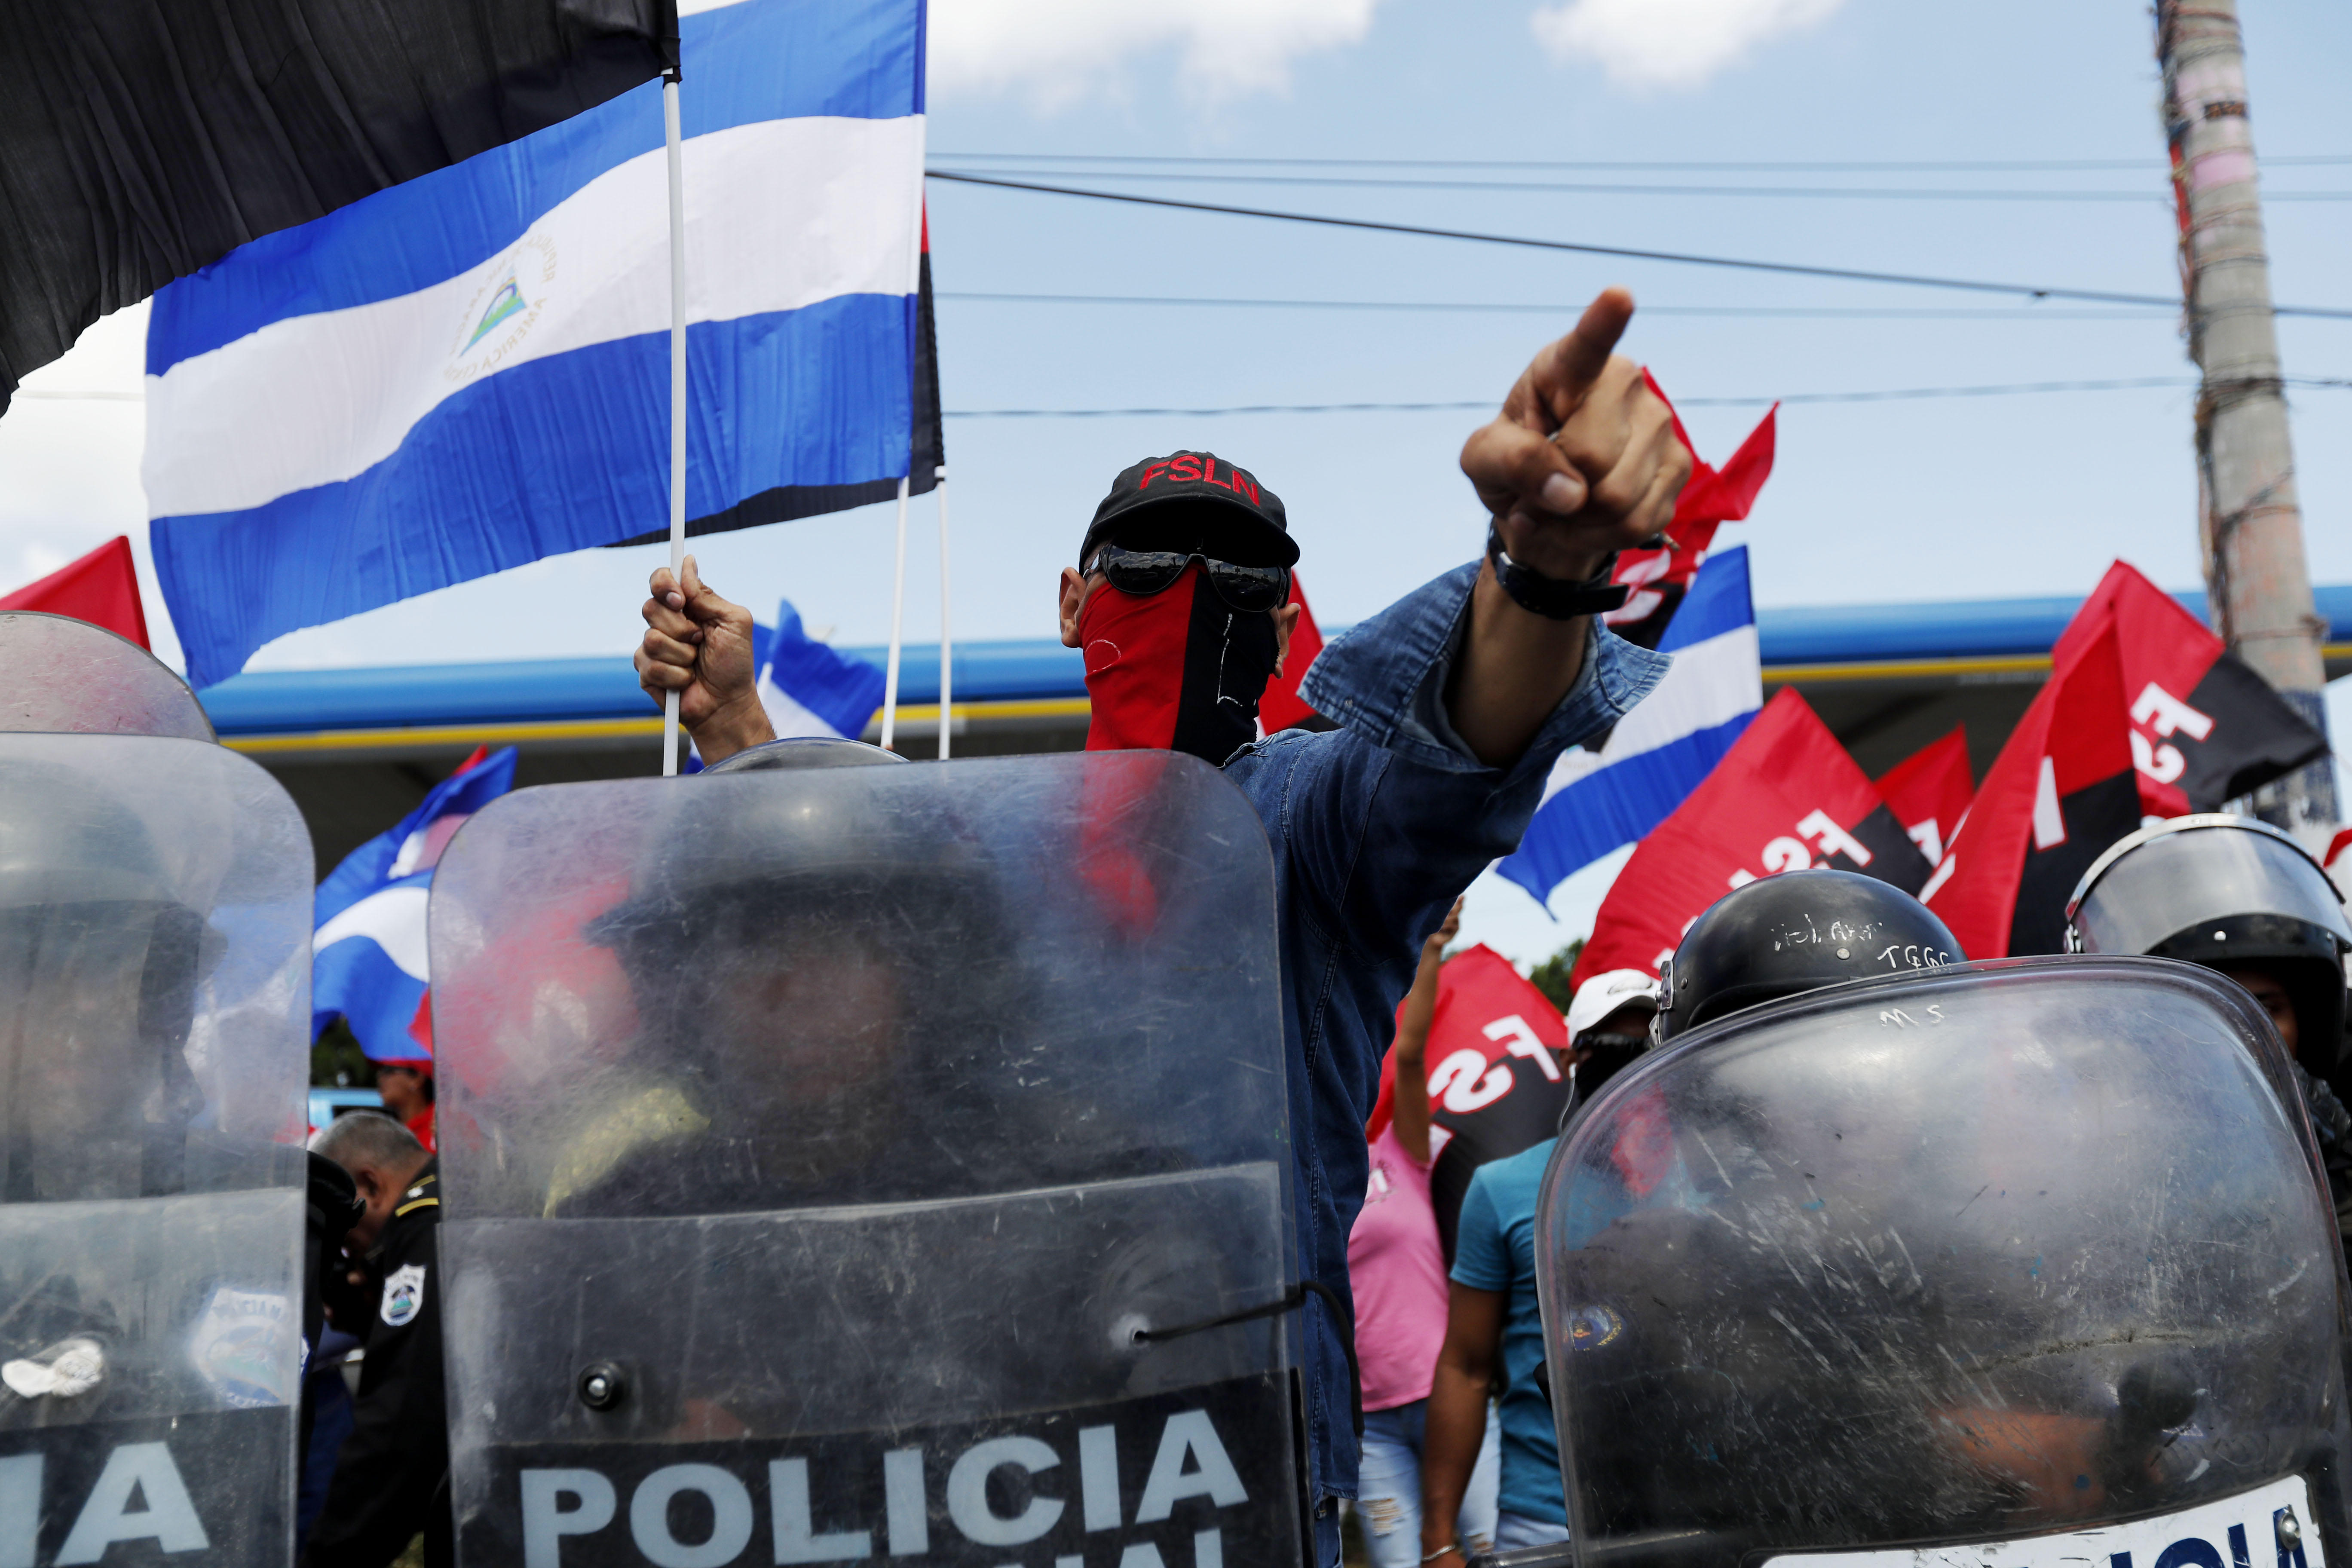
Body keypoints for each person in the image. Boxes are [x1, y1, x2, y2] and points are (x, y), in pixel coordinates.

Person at [637, 291, 1690, 1552]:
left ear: (1287, 621)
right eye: (1147, 563)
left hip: (1233, 1470)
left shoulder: (1300, 832)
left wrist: (1545, 564)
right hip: (978, 1459)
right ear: (1076, 603)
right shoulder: (974, 853)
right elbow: (842, 909)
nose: (1191, 590)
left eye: (1242, 571)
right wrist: (734, 726)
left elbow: (1460, 749)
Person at [1420, 871, 1962, 1561]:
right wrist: (1440, 1543)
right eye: (1803, 1070)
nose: (1858, 1100)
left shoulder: (1985, 1244)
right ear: (1717, 1099)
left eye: (1884, 1060)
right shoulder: (1633, 1264)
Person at [2065, 814, 2352, 1232]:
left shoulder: (2338, 1138)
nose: (2241, 1031)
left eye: (2266, 1008)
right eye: (2208, 1010)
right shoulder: (2103, 1171)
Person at [1348, 898, 1502, 1567]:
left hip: (1452, 1402)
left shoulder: (1398, 1152)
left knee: (1491, 1556)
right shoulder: (1306, 1186)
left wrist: (1433, 939)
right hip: (1368, 1426)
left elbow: (1409, 1055)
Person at [304, 1112, 448, 1568]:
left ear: (369, 1186)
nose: (351, 1256)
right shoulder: (457, 1197)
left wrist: (330, 1557)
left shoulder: (424, 1224)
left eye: (348, 1238)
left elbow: (404, 1412)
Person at [1561, 968, 1658, 1120]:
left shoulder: (1707, 1141)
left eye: (1659, 1044)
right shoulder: (1560, 1146)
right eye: (1612, 1047)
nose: (1640, 1069)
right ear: (1570, 1063)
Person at [373, 1058, 435, 1152]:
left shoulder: (441, 1126)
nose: (380, 1077)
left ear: (417, 1078)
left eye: (389, 1070)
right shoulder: (388, 1131)